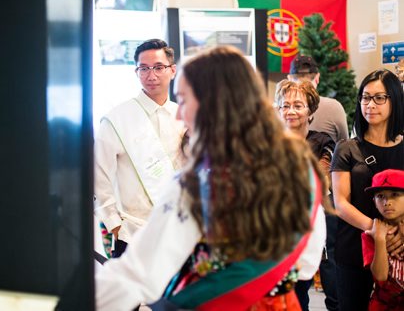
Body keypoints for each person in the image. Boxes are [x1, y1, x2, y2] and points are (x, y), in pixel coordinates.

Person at [96, 45, 327, 310]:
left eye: (184, 100)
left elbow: (139, 273)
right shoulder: (298, 166)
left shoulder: (197, 184)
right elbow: (308, 263)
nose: (180, 115)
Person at [94, 39, 186, 258]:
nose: (151, 75)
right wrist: (114, 225)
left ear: (172, 70)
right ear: (136, 72)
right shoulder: (116, 119)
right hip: (133, 235)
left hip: (178, 232)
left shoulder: (184, 116)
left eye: (158, 67)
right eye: (143, 68)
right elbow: (100, 179)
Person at [331, 69, 404, 311]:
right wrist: (376, 229)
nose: (370, 105)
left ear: (395, 99)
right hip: (354, 248)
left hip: (401, 249)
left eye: (379, 98)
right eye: (365, 97)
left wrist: (398, 233)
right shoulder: (347, 149)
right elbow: (340, 202)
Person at [275, 79, 335, 310]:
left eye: (298, 105)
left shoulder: (322, 142)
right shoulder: (268, 142)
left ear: (310, 109)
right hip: (274, 229)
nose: (290, 111)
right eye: (285, 105)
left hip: (308, 226)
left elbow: (320, 181)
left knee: (299, 294)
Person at [362, 169, 404, 310]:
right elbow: (380, 276)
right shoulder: (370, 234)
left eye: (395, 195)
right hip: (382, 305)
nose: (387, 202)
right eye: (381, 196)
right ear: (374, 201)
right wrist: (379, 240)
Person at [288, 55, 348, 142]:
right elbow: (344, 145)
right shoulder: (334, 107)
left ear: (289, 79)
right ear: (317, 78)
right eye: (286, 106)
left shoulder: (277, 110)